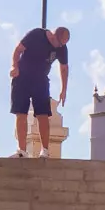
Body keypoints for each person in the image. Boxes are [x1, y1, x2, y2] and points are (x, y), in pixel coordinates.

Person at [9, 23, 70, 158]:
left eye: (63, 44)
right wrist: (14, 66)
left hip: (41, 79)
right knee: (21, 113)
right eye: (60, 43)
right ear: (53, 36)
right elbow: (18, 50)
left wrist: (64, 89)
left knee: (43, 114)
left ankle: (45, 150)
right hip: (22, 77)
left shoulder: (62, 48)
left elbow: (64, 68)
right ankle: (22, 150)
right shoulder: (36, 35)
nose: (60, 47)